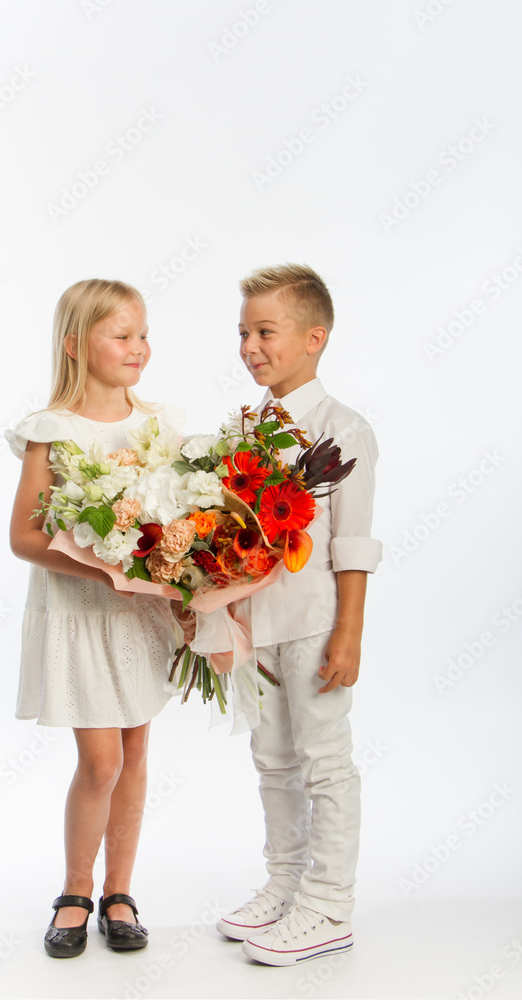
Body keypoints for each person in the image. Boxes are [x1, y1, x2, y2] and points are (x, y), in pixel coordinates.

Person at [6, 278, 184, 959]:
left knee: (136, 750)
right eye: (122, 335)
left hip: (141, 619)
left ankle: (119, 891)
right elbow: (25, 538)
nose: (139, 347)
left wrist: (171, 575)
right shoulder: (52, 430)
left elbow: (175, 518)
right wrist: (112, 573)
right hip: (81, 614)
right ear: (77, 344)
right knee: (101, 760)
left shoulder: (160, 423)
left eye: (143, 333)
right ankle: (75, 888)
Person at [216, 264, 382, 966]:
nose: (250, 346)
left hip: (314, 621)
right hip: (255, 623)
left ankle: (327, 905)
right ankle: (285, 882)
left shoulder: (342, 430)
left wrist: (348, 630)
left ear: (314, 338)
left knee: (322, 760)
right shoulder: (246, 427)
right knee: (271, 759)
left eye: (265, 331)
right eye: (243, 333)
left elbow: (351, 540)